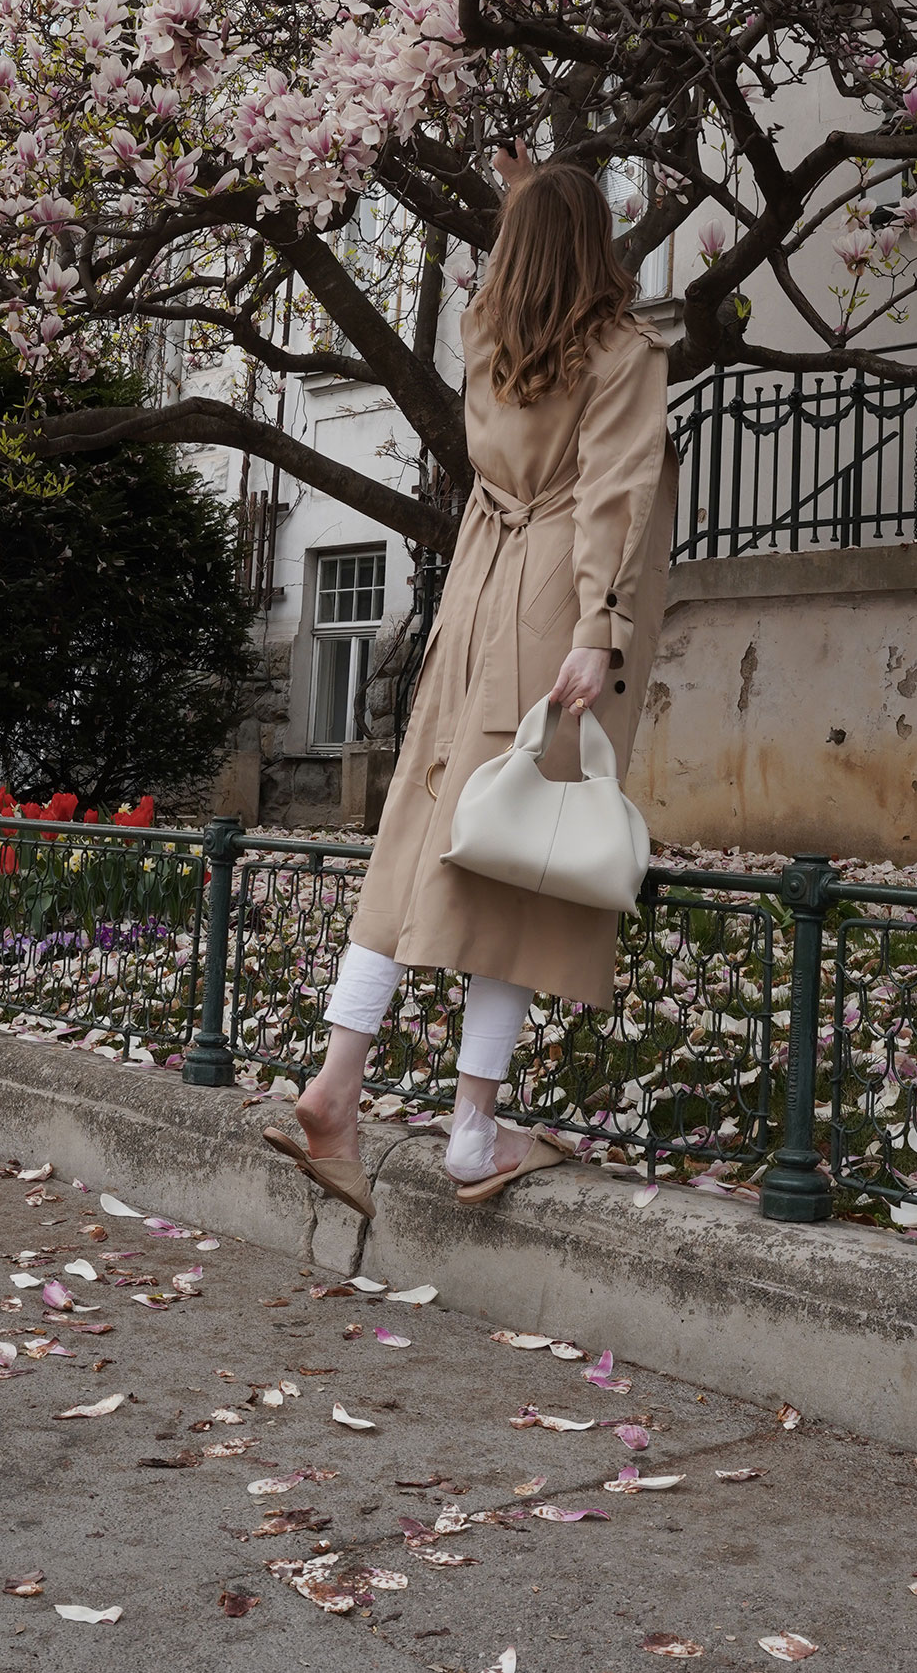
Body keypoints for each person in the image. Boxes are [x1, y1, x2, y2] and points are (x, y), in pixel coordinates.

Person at [264, 145, 676, 1217]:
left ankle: (335, 1084)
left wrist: (525, 188)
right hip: (548, 602)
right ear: (597, 248)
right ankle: (468, 1131)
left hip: (476, 587)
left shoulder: (485, 335)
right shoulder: (622, 352)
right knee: (525, 862)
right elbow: (613, 500)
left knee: (422, 833)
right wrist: (598, 625)